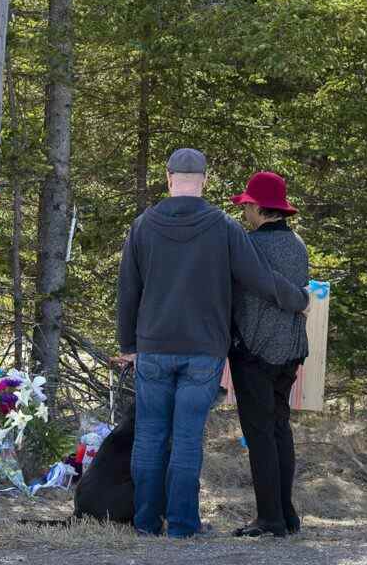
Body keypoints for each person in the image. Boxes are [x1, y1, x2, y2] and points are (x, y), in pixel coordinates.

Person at [116, 148, 309, 539]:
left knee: (150, 435)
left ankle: (146, 523)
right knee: (187, 437)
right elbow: (259, 279)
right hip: (203, 351)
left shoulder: (142, 226)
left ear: (169, 177)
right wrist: (300, 299)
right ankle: (184, 526)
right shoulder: (223, 226)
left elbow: (128, 290)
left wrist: (128, 344)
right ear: (204, 178)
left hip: (152, 346)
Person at [229, 171, 308, 538]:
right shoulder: (299, 245)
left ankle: (270, 519)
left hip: (255, 352)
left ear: (261, 209)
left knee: (259, 434)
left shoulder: (249, 246)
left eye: (247, 205)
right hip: (290, 353)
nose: (245, 211)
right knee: (279, 429)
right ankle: (287, 514)